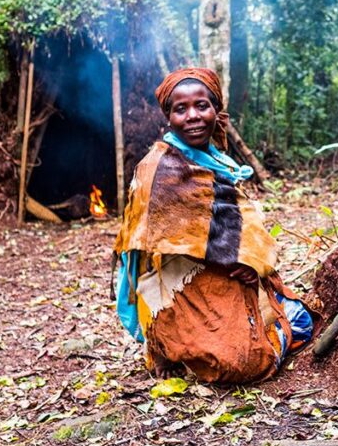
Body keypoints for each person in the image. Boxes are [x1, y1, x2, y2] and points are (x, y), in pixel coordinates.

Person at [113, 68, 316, 384]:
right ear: (169, 117)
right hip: (175, 287)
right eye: (181, 109)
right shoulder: (158, 167)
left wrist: (250, 263)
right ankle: (164, 343)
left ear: (215, 110)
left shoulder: (214, 158)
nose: (193, 115)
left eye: (202, 105)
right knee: (242, 364)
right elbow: (145, 253)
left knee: (295, 324)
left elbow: (234, 226)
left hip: (226, 276)